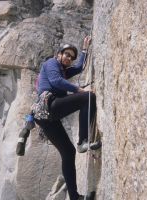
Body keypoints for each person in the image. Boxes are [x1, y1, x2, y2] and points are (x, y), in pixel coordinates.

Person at [35, 36, 96, 200]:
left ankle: (75, 197)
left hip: (46, 118)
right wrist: (78, 90)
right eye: (66, 54)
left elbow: (79, 68)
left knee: (68, 153)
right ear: (58, 54)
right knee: (88, 97)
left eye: (71, 57)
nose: (69, 58)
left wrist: (84, 49)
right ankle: (83, 141)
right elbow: (56, 81)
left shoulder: (64, 69)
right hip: (48, 106)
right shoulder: (51, 64)